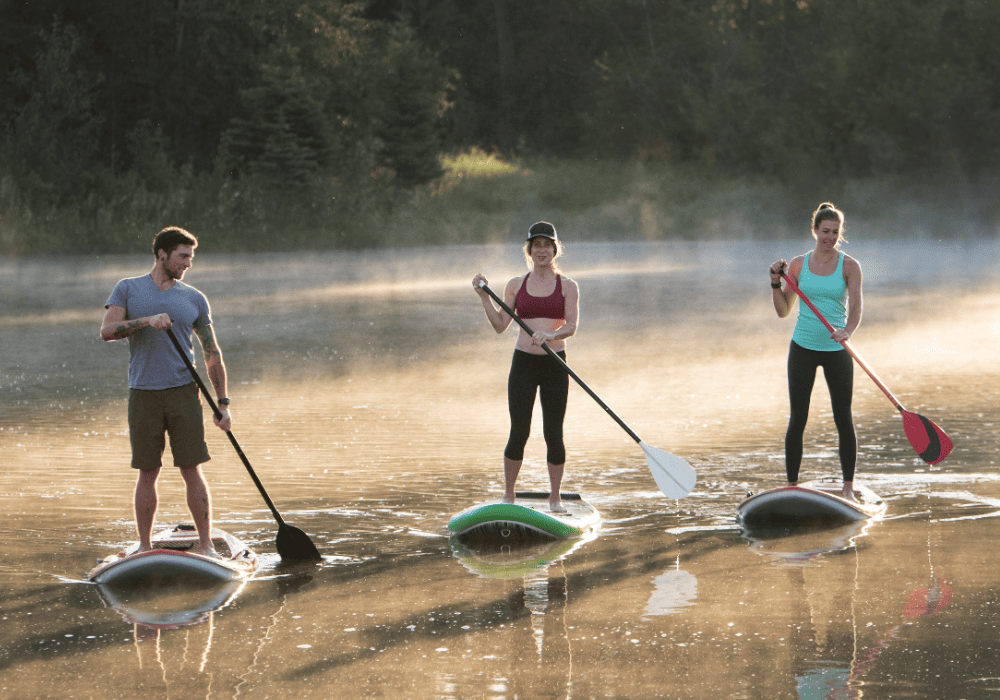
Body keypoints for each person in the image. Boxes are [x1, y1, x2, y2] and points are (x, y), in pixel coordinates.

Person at [100, 226, 231, 556]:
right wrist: (146, 321)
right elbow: (107, 331)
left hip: (184, 392)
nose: (188, 263)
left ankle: (206, 546)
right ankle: (144, 547)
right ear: (162, 254)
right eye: (182, 256)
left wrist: (223, 403)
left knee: (191, 469)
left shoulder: (194, 298)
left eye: (191, 257)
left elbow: (212, 353)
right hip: (143, 393)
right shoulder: (127, 289)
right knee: (148, 471)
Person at [472, 222, 580, 513]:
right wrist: (484, 298)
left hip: (555, 364)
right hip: (524, 364)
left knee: (553, 432)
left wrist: (551, 334)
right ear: (529, 251)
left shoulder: (568, 286)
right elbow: (500, 325)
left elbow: (571, 326)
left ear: (555, 250)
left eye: (547, 245)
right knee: (519, 430)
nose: (542, 250)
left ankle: (555, 498)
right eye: (536, 245)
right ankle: (509, 495)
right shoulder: (516, 285)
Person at [769, 203, 863, 501]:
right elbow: (783, 311)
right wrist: (775, 283)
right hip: (803, 348)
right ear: (815, 230)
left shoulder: (850, 266)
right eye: (825, 231)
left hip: (837, 349)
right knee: (798, 418)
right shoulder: (799, 265)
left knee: (843, 418)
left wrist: (847, 331)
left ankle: (847, 488)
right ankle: (792, 486)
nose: (830, 237)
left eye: (835, 232)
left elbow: (856, 308)